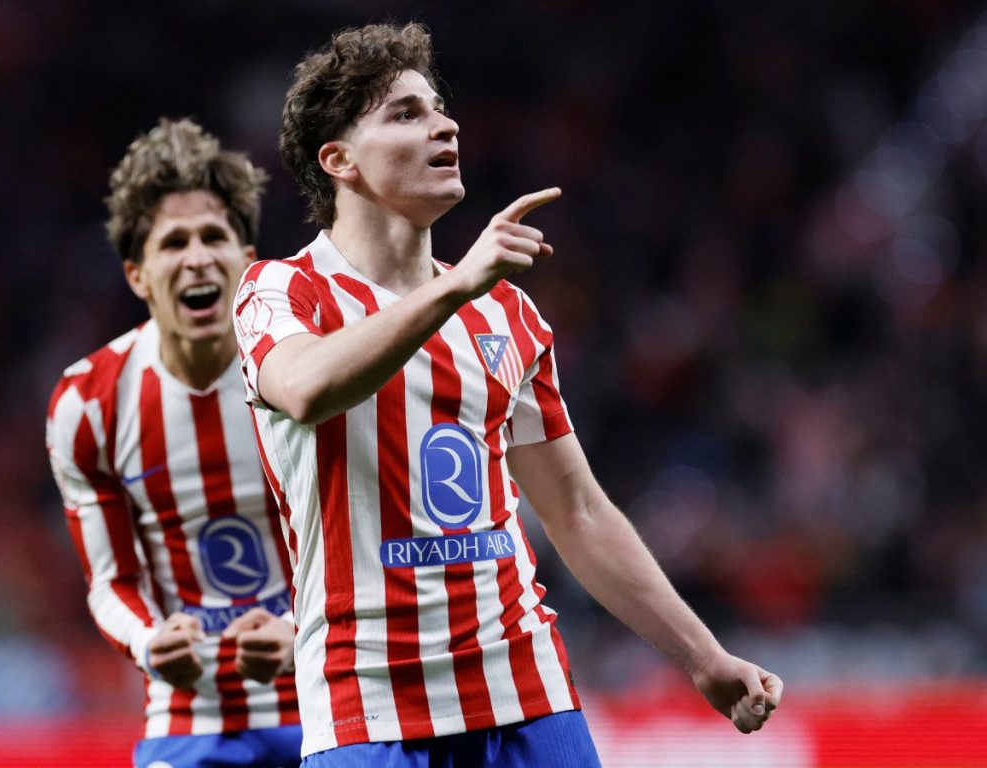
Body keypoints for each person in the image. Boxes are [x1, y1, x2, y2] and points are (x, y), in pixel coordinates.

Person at [233, 22, 782, 766]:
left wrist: (702, 657)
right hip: (367, 703)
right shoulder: (279, 291)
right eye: (405, 113)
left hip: (523, 690)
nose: (444, 124)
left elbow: (576, 510)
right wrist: (456, 284)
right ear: (339, 160)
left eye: (439, 108)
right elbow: (304, 388)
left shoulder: (507, 315)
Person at [46, 118, 302, 768]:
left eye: (215, 236)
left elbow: (369, 541)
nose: (197, 257)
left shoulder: (306, 374)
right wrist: (150, 642)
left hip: (332, 700)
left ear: (248, 261)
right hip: (191, 719)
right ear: (138, 274)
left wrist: (302, 632)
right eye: (174, 241)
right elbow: (112, 580)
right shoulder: (90, 403)